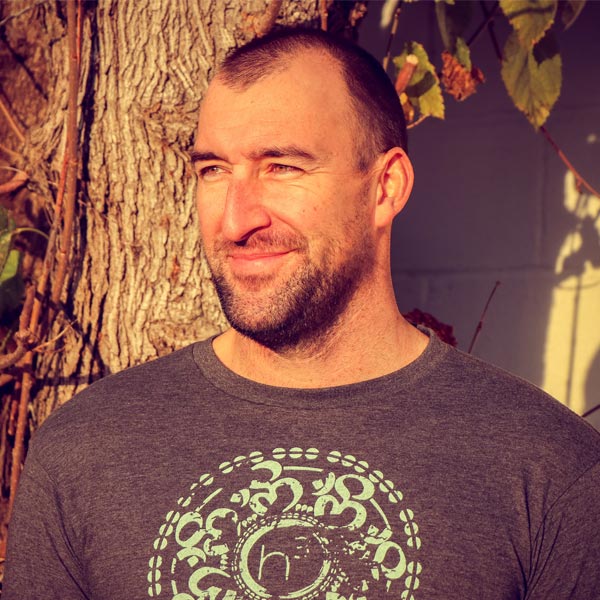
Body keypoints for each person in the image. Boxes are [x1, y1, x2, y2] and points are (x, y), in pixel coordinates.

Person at [4, 27, 600, 600]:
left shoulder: (548, 468)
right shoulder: (85, 451)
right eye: (213, 170)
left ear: (386, 188)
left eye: (282, 167)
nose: (236, 221)